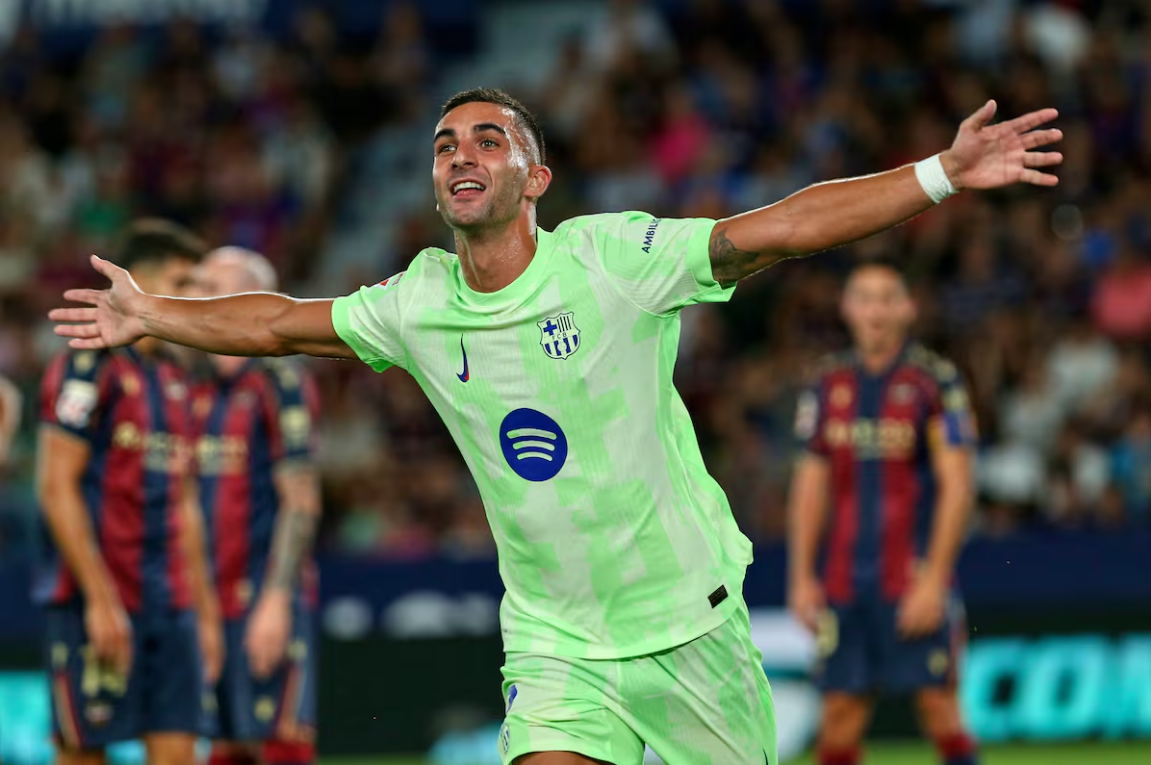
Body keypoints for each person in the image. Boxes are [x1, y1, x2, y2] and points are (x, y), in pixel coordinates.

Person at [50, 88, 1061, 765]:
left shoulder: (613, 261)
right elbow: (276, 324)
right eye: (446, 143)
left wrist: (937, 174)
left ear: (534, 180)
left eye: (490, 139)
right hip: (554, 640)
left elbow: (778, 228)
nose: (461, 153)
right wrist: (150, 315)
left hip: (689, 624)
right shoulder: (417, 300)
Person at [35, 219, 221, 765]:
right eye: (187, 282)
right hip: (93, 604)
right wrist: (100, 599)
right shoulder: (89, 362)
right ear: (141, 282)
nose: (201, 298)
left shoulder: (181, 379)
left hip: (171, 609)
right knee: (83, 753)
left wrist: (204, 617)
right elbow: (55, 485)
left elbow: (184, 504)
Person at [787, 262, 979, 765]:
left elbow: (958, 486)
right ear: (847, 308)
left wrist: (935, 579)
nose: (876, 309)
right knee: (839, 718)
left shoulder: (936, 383)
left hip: (910, 573)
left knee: (939, 705)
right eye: (864, 298)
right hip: (845, 580)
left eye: (887, 298)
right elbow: (811, 485)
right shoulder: (827, 385)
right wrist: (802, 577)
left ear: (908, 308)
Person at [191, 248, 321, 765]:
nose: (200, 300)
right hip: (200, 599)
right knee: (221, 741)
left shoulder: (278, 382)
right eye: (198, 288)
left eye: (213, 288)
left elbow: (302, 501)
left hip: (262, 596)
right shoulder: (189, 385)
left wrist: (275, 602)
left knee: (279, 737)